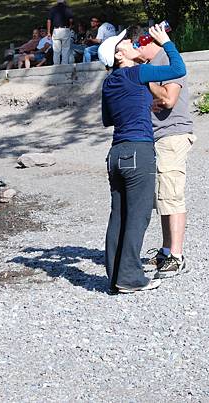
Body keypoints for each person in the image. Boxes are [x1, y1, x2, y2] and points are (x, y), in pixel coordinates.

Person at [99, 25, 185, 293]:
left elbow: (108, 120)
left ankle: (115, 277)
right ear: (119, 56)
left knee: (119, 216)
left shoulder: (109, 82)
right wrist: (167, 42)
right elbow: (178, 69)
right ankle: (130, 278)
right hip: (139, 151)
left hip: (115, 154)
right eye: (124, 43)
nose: (131, 43)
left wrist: (135, 103)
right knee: (137, 218)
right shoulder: (137, 73)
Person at [134, 27, 196, 278]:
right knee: (162, 197)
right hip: (158, 136)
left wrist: (147, 85)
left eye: (138, 46)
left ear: (148, 42)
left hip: (173, 134)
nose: (136, 53)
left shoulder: (167, 60)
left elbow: (168, 100)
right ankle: (166, 249)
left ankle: (177, 257)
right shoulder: (153, 62)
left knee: (172, 194)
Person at [47, 0, 74, 65]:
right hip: (65, 29)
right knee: (65, 49)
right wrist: (70, 27)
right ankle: (64, 65)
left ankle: (56, 65)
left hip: (56, 30)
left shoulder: (53, 9)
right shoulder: (67, 8)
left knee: (56, 50)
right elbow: (71, 20)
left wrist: (48, 32)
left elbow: (49, 21)